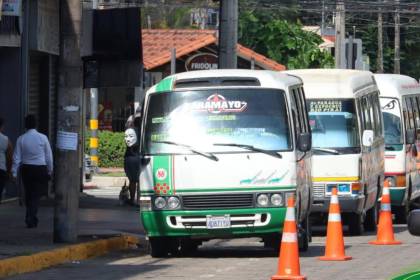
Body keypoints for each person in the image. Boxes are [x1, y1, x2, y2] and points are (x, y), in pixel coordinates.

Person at [12, 115, 53, 228]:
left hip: (27, 169)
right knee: (36, 195)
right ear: (36, 124)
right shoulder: (43, 138)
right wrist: (50, 170)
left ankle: (30, 216)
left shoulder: (21, 138)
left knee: (29, 193)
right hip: (40, 169)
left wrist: (14, 173)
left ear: (25, 125)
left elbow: (16, 158)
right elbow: (49, 156)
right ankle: (31, 217)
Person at [0, 117, 13, 202]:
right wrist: (9, 172)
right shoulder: (6, 140)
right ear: (2, 126)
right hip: (1, 171)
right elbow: (9, 158)